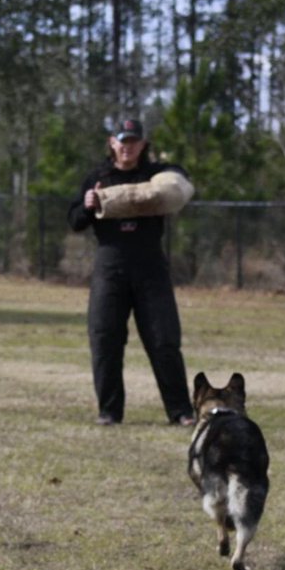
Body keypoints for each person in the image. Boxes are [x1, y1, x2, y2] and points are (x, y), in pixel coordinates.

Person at [67, 118, 196, 426]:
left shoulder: (155, 175)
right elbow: (74, 221)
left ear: (143, 144)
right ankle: (109, 412)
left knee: (164, 339)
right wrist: (86, 205)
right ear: (112, 142)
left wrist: (174, 176)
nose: (128, 147)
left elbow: (180, 179)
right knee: (105, 338)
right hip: (110, 268)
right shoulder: (98, 177)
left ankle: (180, 411)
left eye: (134, 142)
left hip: (151, 267)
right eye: (123, 141)